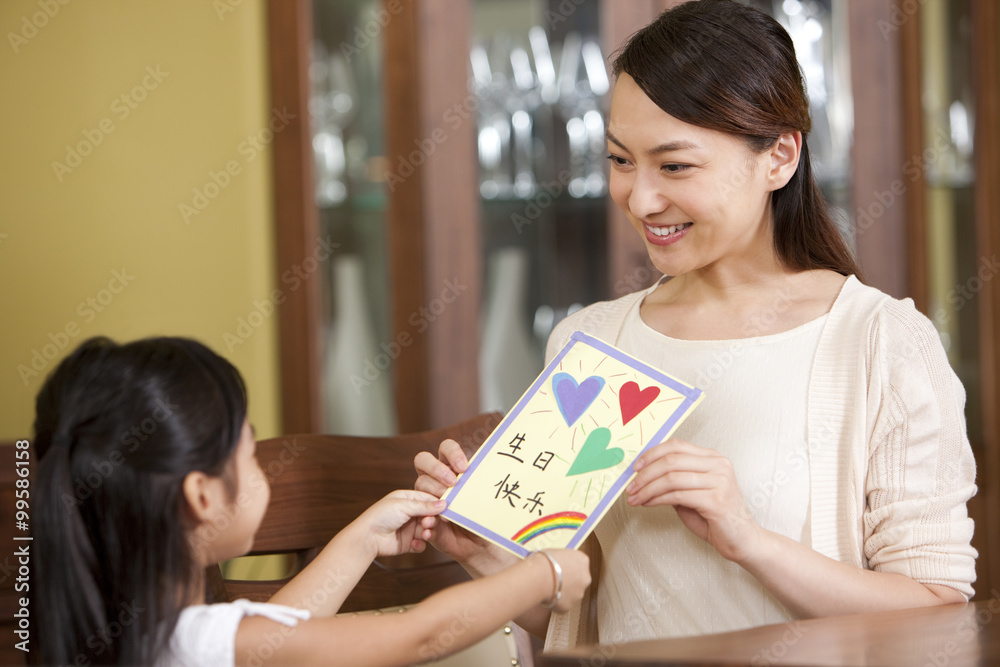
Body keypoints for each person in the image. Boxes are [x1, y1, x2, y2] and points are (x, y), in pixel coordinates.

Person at [415, 0, 977, 650]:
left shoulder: (880, 343)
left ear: (780, 157)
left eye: (674, 165)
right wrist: (485, 555)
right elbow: (577, 614)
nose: (641, 197)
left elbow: (936, 610)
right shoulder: (590, 344)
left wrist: (748, 540)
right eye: (621, 159)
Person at [31, 336, 590, 666]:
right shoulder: (195, 639)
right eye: (248, 456)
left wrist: (361, 540)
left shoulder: (143, 633)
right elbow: (418, 636)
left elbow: (277, 630)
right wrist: (545, 574)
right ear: (201, 497)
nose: (259, 470)